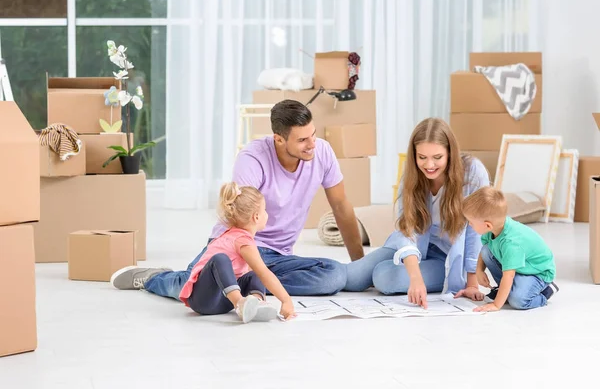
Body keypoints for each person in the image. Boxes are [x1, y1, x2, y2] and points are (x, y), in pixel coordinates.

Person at [110, 99, 364, 299]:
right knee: (195, 291)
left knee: (334, 276)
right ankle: (157, 278)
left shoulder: (323, 153)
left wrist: (359, 264)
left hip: (278, 256)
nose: (312, 144)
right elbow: (240, 220)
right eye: (302, 140)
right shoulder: (253, 157)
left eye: (313, 135)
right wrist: (250, 265)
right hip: (239, 247)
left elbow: (341, 206)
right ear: (279, 139)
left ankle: (239, 284)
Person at [344, 117, 488, 308]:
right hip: (416, 249)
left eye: (437, 157)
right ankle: (294, 271)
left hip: (446, 259)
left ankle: (397, 274)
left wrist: (472, 281)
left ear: (450, 153)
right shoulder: (412, 176)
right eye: (422, 157)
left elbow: (475, 231)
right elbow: (407, 228)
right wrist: (415, 276)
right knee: (352, 276)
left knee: (383, 276)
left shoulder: (472, 172)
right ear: (414, 155)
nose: (429, 165)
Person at [177, 182, 295, 323]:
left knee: (254, 274)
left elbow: (259, 273)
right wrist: (286, 300)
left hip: (224, 301)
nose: (266, 214)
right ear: (256, 217)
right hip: (203, 300)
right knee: (220, 259)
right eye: (265, 210)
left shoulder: (243, 239)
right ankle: (241, 303)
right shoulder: (241, 240)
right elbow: (265, 273)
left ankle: (256, 304)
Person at [462, 186, 559, 312]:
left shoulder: (511, 244)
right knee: (487, 250)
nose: (469, 224)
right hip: (519, 266)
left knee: (518, 301)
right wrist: (479, 270)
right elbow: (484, 249)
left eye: (471, 222)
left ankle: (545, 292)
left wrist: (496, 305)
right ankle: (506, 290)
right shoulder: (493, 227)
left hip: (538, 273)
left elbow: (508, 276)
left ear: (487, 225)